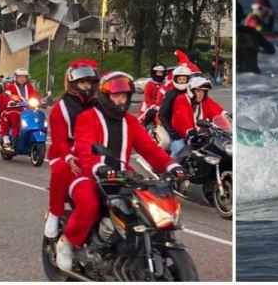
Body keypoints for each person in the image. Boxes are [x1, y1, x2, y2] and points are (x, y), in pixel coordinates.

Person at [55, 71, 184, 271]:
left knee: (146, 205)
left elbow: (150, 149)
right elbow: (85, 149)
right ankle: (67, 242)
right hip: (85, 174)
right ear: (105, 96)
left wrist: (172, 166)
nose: (120, 100)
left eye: (124, 95)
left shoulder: (130, 122)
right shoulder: (87, 118)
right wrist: (100, 168)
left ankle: (131, 248)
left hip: (122, 176)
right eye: (116, 95)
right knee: (89, 204)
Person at [44, 59, 99, 239]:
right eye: (82, 82)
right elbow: (59, 140)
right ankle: (54, 213)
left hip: (92, 151)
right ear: (73, 84)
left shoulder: (98, 105)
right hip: (65, 151)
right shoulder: (60, 108)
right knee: (60, 170)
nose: (87, 87)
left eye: (89, 83)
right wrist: (68, 157)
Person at [168, 76, 225, 159]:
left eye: (204, 92)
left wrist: (227, 117)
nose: (201, 94)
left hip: (199, 135)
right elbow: (183, 118)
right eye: (198, 91)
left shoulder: (205, 100)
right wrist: (190, 131)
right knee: (179, 149)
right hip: (180, 135)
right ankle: (169, 167)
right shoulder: (182, 99)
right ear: (191, 91)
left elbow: (216, 110)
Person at [157, 62, 194, 151]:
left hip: (184, 127)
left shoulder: (191, 93)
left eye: (184, 79)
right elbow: (162, 115)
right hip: (166, 125)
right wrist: (172, 132)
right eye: (179, 79)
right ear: (175, 79)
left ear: (188, 80)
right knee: (167, 142)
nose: (181, 81)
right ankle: (156, 160)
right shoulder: (170, 94)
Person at [0, 68, 40, 145]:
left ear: (27, 78)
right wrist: (10, 102)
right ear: (16, 78)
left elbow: (35, 95)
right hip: (15, 110)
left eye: (24, 77)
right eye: (20, 77)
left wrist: (40, 100)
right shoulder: (11, 87)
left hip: (28, 110)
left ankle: (34, 134)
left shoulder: (30, 87)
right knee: (14, 116)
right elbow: (6, 96)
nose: (22, 79)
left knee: (39, 116)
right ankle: (7, 136)